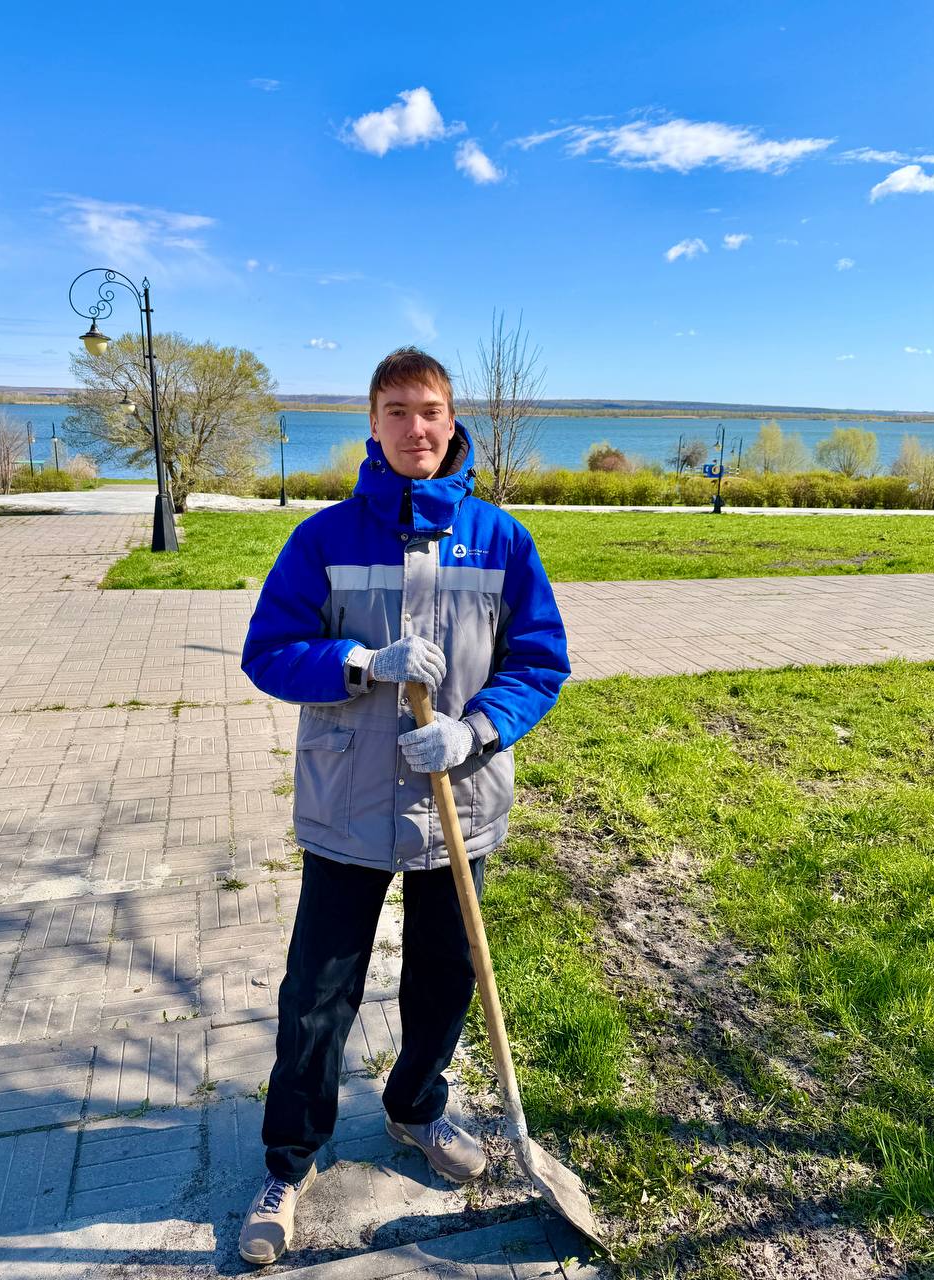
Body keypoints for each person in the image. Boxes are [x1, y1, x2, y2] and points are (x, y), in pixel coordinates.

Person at [237, 347, 570, 1266]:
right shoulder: (324, 539)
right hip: (348, 807)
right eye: (396, 411)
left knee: (444, 976)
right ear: (373, 424)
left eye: (429, 411)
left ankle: (417, 1106)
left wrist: (476, 730)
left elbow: (540, 662)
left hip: (459, 803)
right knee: (317, 995)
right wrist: (359, 663)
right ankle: (288, 1162)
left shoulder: (501, 540)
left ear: (452, 421)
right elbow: (268, 652)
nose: (415, 428)